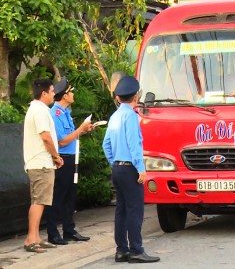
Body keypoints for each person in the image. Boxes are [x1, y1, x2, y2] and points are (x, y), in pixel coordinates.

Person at [102, 75, 160, 264]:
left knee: (121, 210)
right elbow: (134, 145)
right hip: (130, 169)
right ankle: (136, 249)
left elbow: (106, 144)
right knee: (135, 210)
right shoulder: (131, 117)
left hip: (118, 168)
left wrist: (114, 162)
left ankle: (121, 250)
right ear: (136, 97)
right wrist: (141, 169)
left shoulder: (114, 116)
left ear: (118, 98)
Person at [45, 78, 93, 245]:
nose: (73, 94)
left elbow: (71, 137)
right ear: (64, 96)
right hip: (62, 160)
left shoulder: (66, 112)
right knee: (58, 196)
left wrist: (83, 130)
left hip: (72, 157)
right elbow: (62, 141)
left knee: (70, 196)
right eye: (71, 92)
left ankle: (69, 230)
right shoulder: (55, 114)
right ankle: (53, 232)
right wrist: (80, 129)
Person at [23, 78, 64, 253]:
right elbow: (45, 137)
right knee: (39, 201)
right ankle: (31, 239)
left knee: (39, 200)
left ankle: (36, 238)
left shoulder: (39, 109)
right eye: (52, 91)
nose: (54, 94)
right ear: (44, 93)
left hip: (41, 162)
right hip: (41, 163)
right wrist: (56, 156)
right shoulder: (39, 111)